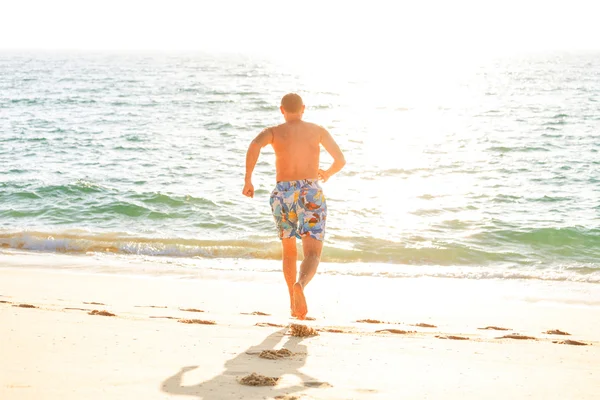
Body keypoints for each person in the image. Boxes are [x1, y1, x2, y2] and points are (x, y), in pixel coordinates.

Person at [242, 93, 346, 320]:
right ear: (303, 108)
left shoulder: (273, 132)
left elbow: (254, 145)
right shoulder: (317, 130)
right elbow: (340, 159)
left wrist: (248, 179)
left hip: (282, 192)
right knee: (312, 253)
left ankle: (292, 303)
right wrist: (327, 173)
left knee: (289, 251)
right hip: (310, 191)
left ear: (282, 110)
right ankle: (301, 285)